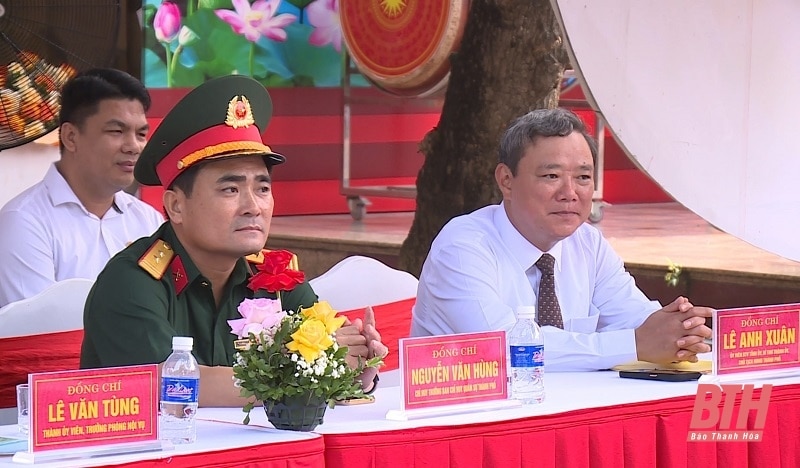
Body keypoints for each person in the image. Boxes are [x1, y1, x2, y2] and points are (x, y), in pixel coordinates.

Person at [80, 75, 387, 406]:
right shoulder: (132, 280)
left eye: (263, 188)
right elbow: (165, 385)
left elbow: (326, 357)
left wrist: (355, 369)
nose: (253, 206)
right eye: (230, 189)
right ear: (176, 206)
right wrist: (303, 369)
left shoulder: (276, 276)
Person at [410, 108, 712, 371]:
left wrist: (680, 331)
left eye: (583, 177)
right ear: (506, 181)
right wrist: (633, 344)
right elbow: (504, 349)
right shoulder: (462, 247)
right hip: (470, 421)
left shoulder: (587, 243)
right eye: (551, 176)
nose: (570, 193)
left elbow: (635, 320)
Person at [0, 68, 164, 307]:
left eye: (140, 134)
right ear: (70, 137)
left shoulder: (148, 221)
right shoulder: (24, 221)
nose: (133, 146)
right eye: (116, 131)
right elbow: (40, 331)